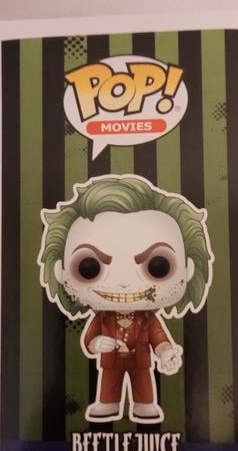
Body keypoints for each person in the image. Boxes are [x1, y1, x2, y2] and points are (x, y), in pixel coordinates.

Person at [38, 175, 213, 424]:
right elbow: (89, 339)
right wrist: (97, 343)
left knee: (143, 383)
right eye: (89, 267)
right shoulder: (102, 318)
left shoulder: (148, 318)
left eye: (158, 266)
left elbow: (159, 339)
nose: (123, 282)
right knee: (109, 383)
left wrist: (165, 353)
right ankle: (107, 403)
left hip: (141, 360)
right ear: (60, 270)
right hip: (111, 361)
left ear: (189, 269)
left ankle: (145, 404)